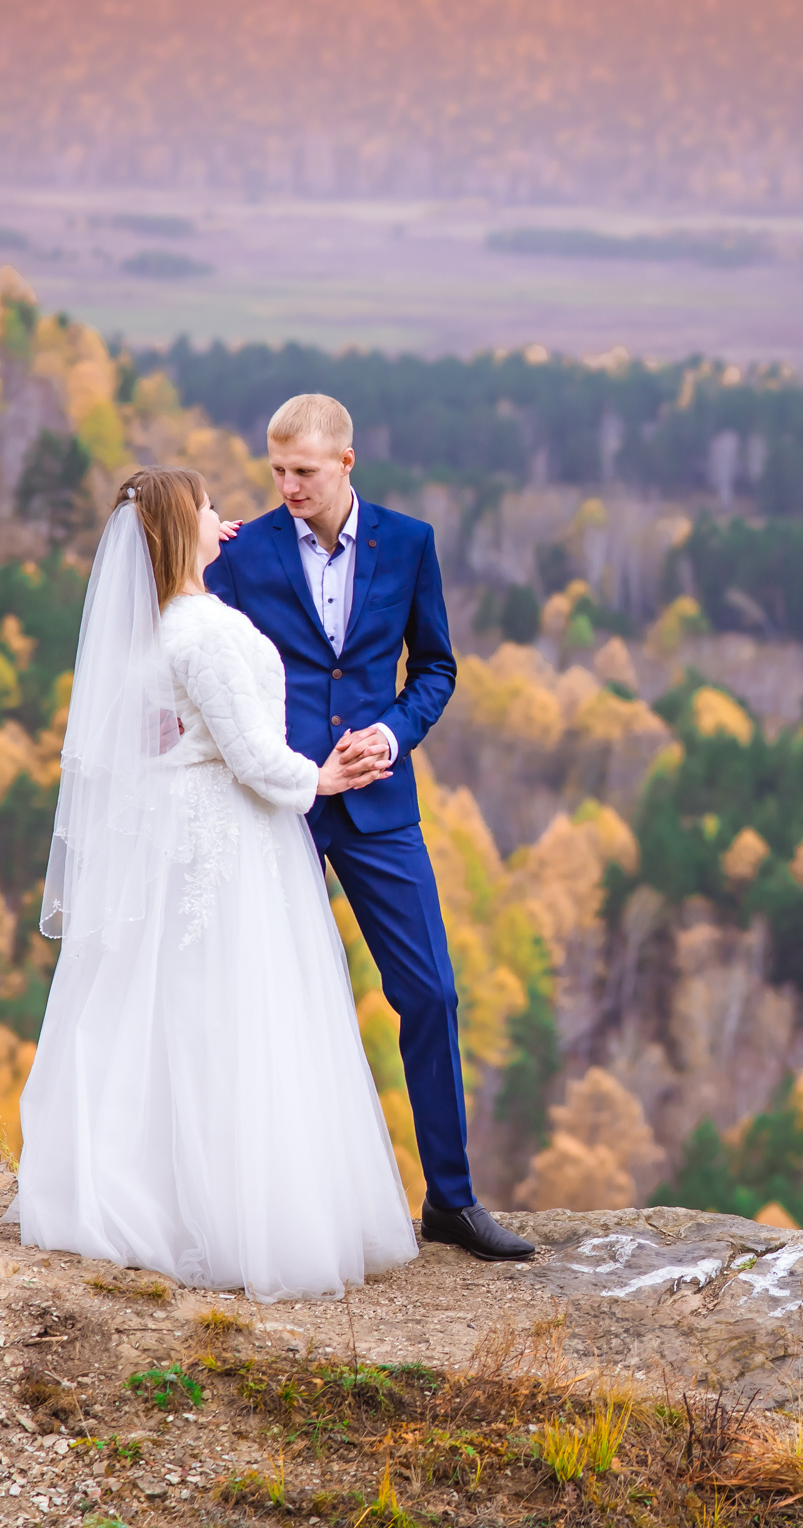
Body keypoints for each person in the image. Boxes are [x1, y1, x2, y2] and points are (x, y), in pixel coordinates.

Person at [12, 469, 419, 1300]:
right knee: (231, 1009)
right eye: (207, 507)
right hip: (225, 835)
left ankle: (163, 1180)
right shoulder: (198, 633)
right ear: (177, 525)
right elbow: (254, 757)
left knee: (171, 1003)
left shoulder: (163, 627)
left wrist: (200, 548)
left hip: (187, 826)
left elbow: (165, 727)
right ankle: (225, 1209)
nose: (224, 514)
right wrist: (325, 779)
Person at [208, 393, 535, 1261]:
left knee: (431, 992)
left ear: (346, 463)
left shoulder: (412, 544)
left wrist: (393, 730)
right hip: (279, 802)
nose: (287, 488)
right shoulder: (245, 555)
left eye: (304, 472)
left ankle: (451, 1203)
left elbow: (435, 666)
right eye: (276, 471)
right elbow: (197, 648)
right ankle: (259, 1202)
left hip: (381, 807)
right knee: (271, 1000)